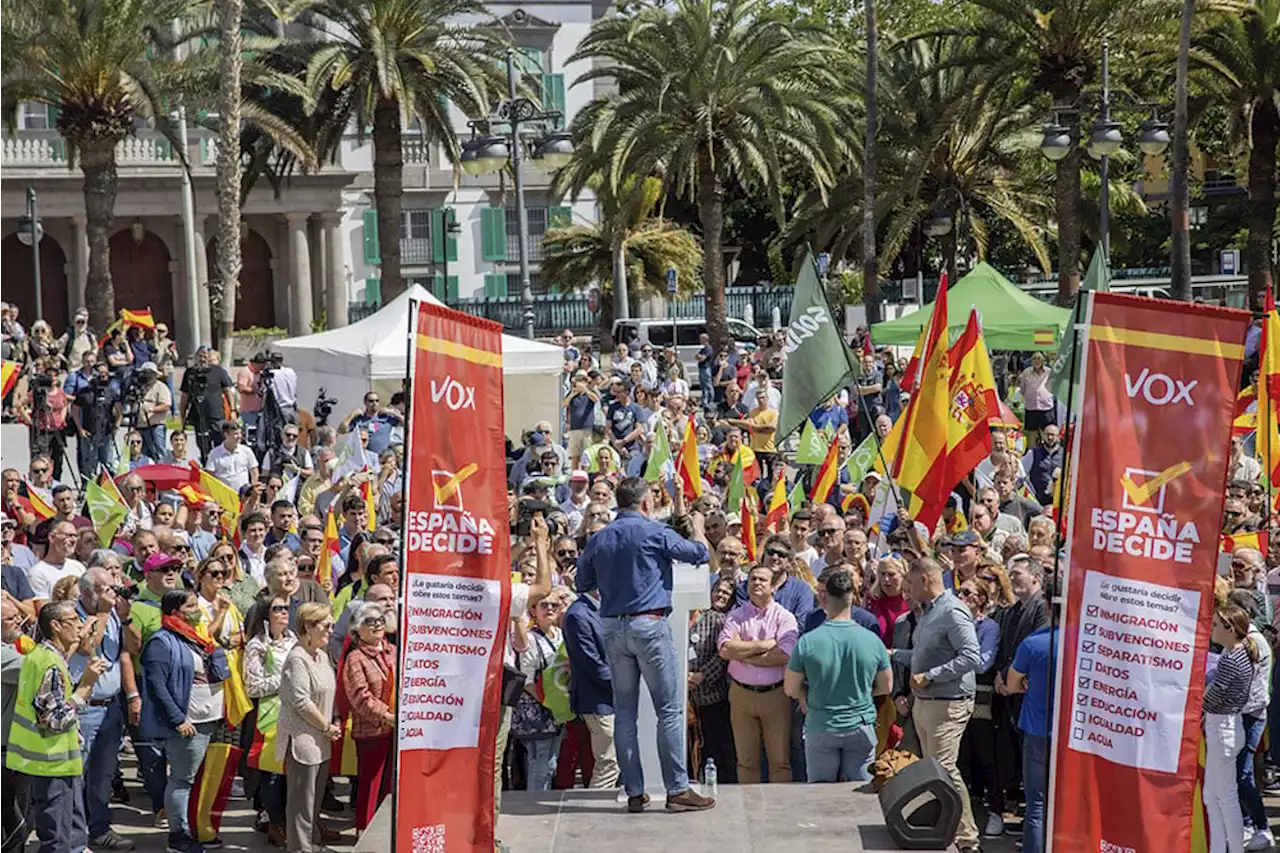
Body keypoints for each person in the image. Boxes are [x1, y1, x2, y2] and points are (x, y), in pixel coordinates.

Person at [576, 477, 715, 812]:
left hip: (613, 627)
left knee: (625, 713)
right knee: (668, 710)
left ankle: (635, 792)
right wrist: (697, 525)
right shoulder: (655, 532)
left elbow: (582, 581)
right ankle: (678, 789)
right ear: (647, 503)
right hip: (649, 625)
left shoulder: (601, 537)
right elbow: (699, 554)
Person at [893, 557, 981, 853]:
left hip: (947, 704)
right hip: (926, 703)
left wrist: (930, 676)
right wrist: (893, 654)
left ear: (925, 581)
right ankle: (950, 830)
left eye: (910, 583)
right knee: (935, 773)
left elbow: (971, 657)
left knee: (945, 772)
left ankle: (968, 840)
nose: (907, 590)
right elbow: (922, 654)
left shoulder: (953, 612)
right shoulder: (929, 613)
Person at [10, 601, 108, 853]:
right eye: (73, 620)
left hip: (48, 763)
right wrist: (85, 688)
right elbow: (54, 720)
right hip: (53, 764)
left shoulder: (41, 656)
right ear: (55, 626)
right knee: (59, 840)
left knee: (68, 835)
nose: (79, 625)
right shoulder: (50, 665)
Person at [139, 589, 229, 853]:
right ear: (175, 612)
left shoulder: (196, 637)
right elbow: (156, 686)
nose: (197, 609)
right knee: (182, 780)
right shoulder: (161, 642)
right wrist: (178, 719)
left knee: (200, 779)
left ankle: (199, 829)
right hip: (189, 723)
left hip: (210, 718)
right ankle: (178, 836)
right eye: (191, 606)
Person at [785, 569, 890, 783]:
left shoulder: (808, 641)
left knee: (821, 794)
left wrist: (805, 694)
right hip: (860, 725)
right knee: (861, 790)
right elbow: (886, 686)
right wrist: (862, 691)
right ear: (852, 596)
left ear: (825, 596)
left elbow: (790, 688)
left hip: (821, 725)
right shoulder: (872, 640)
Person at [67, 568, 137, 852]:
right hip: (84, 708)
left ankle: (99, 829)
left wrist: (126, 617)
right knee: (76, 774)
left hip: (110, 707)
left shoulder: (113, 616)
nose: (113, 592)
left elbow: (131, 648)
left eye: (113, 587)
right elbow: (86, 648)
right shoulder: (71, 616)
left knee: (103, 775)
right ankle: (74, 838)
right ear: (86, 593)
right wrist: (107, 613)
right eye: (106, 588)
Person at [718, 564, 798, 784]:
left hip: (776, 695)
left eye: (762, 580)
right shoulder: (736, 616)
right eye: (752, 579)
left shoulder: (785, 618)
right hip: (741, 695)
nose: (756, 583)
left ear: (773, 587)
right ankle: (749, 813)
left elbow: (783, 655)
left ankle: (780, 812)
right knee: (746, 761)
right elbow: (725, 649)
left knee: (779, 761)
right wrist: (765, 644)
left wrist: (744, 654)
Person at [279, 603, 342, 853]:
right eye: (326, 625)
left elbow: (330, 692)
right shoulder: (297, 659)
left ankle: (311, 843)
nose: (330, 631)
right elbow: (301, 702)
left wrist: (334, 720)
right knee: (301, 805)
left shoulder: (322, 655)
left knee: (314, 802)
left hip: (323, 738)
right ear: (307, 626)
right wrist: (327, 726)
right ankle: (299, 849)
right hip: (303, 740)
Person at [1198, 605, 1260, 853]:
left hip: (1222, 729)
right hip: (1223, 727)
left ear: (1229, 629)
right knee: (1212, 797)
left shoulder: (1232, 658)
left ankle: (1233, 849)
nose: (1211, 629)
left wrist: (1200, 697)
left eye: (1215, 625)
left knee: (1225, 798)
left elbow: (1210, 699)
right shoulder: (1236, 653)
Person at [1005, 602, 1059, 853]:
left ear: (1048, 607)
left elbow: (1012, 684)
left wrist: (1028, 681)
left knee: (1036, 804)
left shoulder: (1034, 643)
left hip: (1038, 732)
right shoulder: (1087, 641)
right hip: (1073, 735)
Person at [244, 594, 296, 847]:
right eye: (278, 609)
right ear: (266, 614)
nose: (284, 612)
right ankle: (275, 823)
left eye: (286, 607)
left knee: (291, 773)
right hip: (269, 715)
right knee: (272, 774)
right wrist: (286, 680)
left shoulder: (294, 639)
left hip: (295, 713)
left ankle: (290, 820)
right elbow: (253, 687)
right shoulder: (257, 646)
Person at [956, 577, 1004, 838]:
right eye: (960, 591)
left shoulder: (988, 627)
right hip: (954, 697)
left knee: (986, 756)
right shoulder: (953, 621)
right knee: (959, 757)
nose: (962, 596)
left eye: (969, 593)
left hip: (980, 700)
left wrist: (954, 663)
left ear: (982, 599)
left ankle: (996, 810)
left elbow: (983, 663)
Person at [341, 602, 395, 832]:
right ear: (357, 629)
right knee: (370, 784)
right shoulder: (355, 658)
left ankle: (386, 832)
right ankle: (364, 832)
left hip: (396, 728)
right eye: (370, 621)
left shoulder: (393, 651)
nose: (377, 625)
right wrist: (387, 716)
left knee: (391, 785)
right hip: (371, 730)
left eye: (380, 620)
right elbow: (360, 697)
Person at [561, 579, 619, 789]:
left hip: (611, 698)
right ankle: (596, 811)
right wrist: (625, 684)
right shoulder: (578, 615)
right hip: (597, 700)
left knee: (614, 761)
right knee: (608, 762)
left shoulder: (603, 609)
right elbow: (592, 665)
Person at [515, 593, 566, 790]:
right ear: (533, 611)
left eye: (554, 605)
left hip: (558, 709)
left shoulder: (561, 634)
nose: (550, 609)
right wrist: (547, 703)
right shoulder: (530, 639)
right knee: (540, 761)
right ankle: (534, 803)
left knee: (551, 762)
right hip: (538, 709)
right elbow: (526, 680)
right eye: (544, 605)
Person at [0, 597, 30, 853]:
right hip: (3, 753)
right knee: (12, 827)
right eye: (10, 619)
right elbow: (36, 670)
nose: (19, 621)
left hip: (12, 748)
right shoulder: (1, 654)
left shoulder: (10, 648)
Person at [180, 347, 237, 461]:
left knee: (220, 444)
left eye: (205, 356)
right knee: (203, 447)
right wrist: (182, 415)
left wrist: (233, 410)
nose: (202, 359)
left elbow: (228, 391)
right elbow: (184, 396)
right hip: (198, 416)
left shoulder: (218, 371)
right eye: (200, 356)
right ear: (196, 357)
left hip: (217, 415)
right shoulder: (190, 373)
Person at [29, 521, 86, 605]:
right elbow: (44, 610)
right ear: (52, 537)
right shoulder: (38, 572)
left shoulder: (78, 566)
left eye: (75, 536)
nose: (73, 540)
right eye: (69, 535)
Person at [339, 392, 402, 456]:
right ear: (365, 403)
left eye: (377, 401)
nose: (374, 403)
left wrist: (392, 412)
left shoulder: (386, 417)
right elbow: (341, 430)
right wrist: (351, 415)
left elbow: (408, 425)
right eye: (371, 401)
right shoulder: (360, 419)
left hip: (384, 457)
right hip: (366, 457)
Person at [206, 421, 259, 493]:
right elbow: (209, 476)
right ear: (226, 435)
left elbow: (254, 472)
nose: (239, 436)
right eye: (236, 434)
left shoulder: (247, 451)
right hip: (224, 496)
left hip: (244, 496)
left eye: (240, 433)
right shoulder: (214, 454)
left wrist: (254, 491)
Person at [137, 362, 172, 464]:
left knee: (158, 452)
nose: (146, 376)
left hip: (155, 425)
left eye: (149, 373)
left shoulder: (161, 387)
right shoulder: (139, 388)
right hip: (140, 425)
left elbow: (166, 405)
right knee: (142, 454)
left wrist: (152, 409)